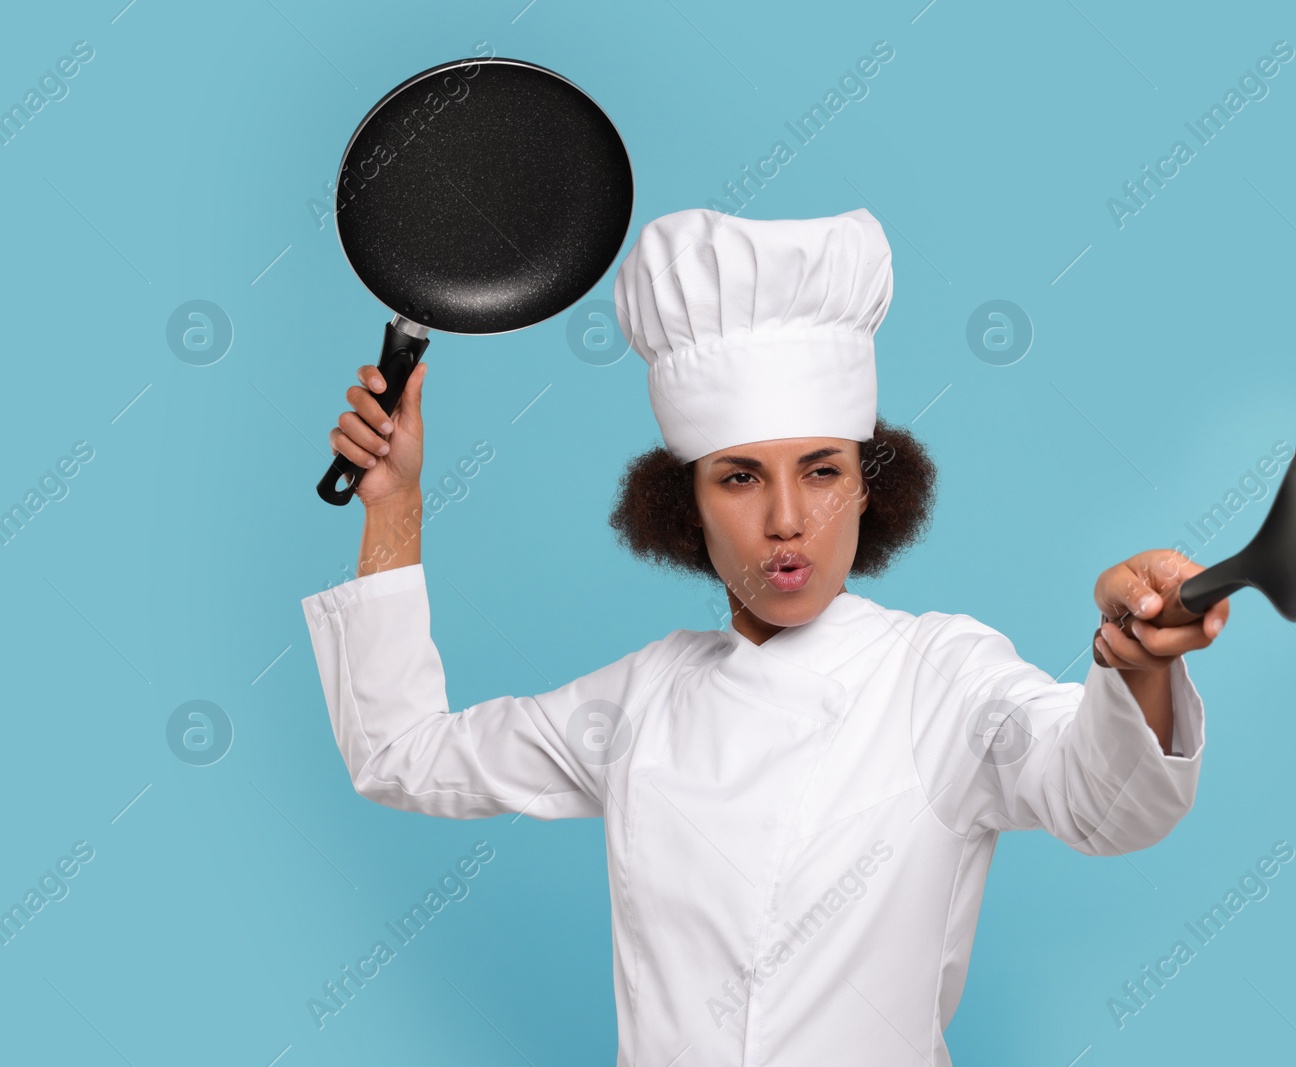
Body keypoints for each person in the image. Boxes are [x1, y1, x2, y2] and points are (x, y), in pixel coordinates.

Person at [302, 207, 1228, 1066]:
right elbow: (400, 753)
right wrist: (397, 504)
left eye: (821, 471)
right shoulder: (643, 699)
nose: (789, 519)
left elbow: (1109, 805)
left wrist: (1132, 655)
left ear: (868, 486)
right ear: (685, 506)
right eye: (740, 478)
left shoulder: (940, 675)